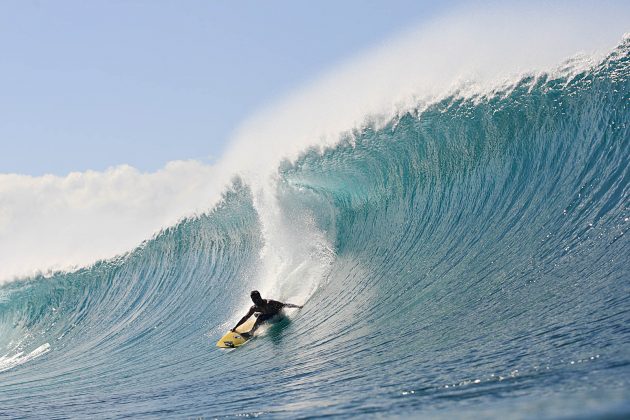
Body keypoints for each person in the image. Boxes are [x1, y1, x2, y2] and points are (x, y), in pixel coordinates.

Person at [231, 290, 302, 337]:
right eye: (253, 300)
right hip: (268, 315)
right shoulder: (254, 308)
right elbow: (245, 317)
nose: (255, 301)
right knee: (256, 315)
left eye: (256, 299)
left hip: (277, 315)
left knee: (260, 317)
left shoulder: (269, 303)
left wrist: (298, 306)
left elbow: (284, 305)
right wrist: (235, 327)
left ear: (260, 297)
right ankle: (257, 324)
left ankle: (251, 332)